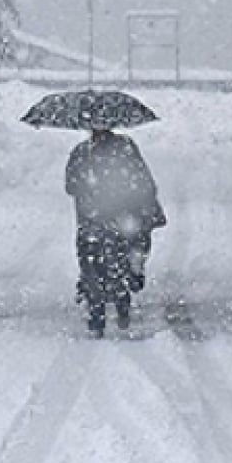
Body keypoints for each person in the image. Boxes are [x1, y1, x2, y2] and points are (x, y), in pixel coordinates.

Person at [65, 127, 165, 337]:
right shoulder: (126, 149)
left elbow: (70, 186)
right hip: (121, 219)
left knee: (91, 264)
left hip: (92, 219)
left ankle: (96, 313)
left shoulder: (81, 152)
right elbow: (143, 181)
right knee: (120, 260)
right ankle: (122, 301)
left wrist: (89, 189)